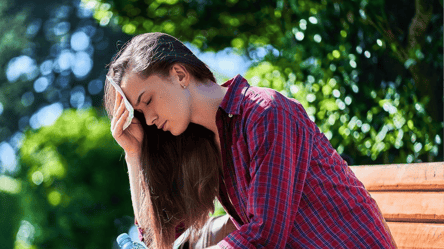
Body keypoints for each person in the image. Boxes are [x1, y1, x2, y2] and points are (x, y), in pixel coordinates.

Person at [104, 32, 397, 249]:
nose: (151, 119)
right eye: (141, 113)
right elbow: (160, 237)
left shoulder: (265, 112)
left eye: (148, 101)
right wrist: (134, 154)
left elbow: (264, 235)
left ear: (179, 74)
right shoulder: (204, 144)